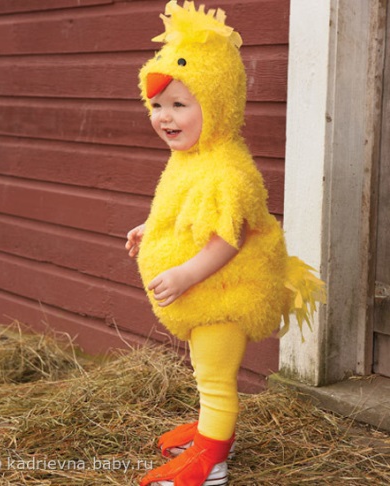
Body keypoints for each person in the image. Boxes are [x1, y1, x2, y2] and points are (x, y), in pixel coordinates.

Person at [126, 2, 325, 485]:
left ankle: (210, 462)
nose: (164, 117)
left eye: (179, 104)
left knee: (215, 378)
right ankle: (214, 432)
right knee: (205, 371)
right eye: (157, 105)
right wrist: (150, 229)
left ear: (217, 103)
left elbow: (229, 237)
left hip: (225, 295)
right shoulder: (191, 159)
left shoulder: (228, 170)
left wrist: (185, 273)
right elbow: (181, 208)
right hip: (205, 297)